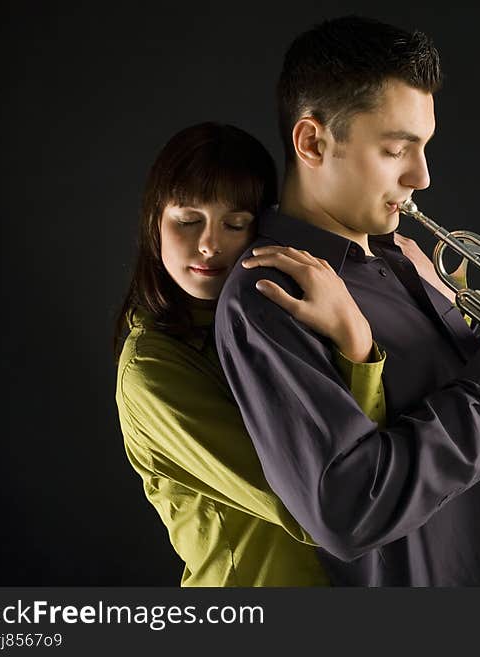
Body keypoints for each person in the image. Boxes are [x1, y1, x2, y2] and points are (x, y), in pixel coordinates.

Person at [215, 17, 480, 586]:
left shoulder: (405, 258)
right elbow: (349, 509)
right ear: (312, 141)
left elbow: (460, 430)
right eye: (397, 150)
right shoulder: (270, 294)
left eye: (424, 148)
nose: (421, 175)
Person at [113, 122, 390, 586]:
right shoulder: (150, 372)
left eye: (235, 224)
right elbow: (323, 512)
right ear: (153, 221)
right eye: (187, 220)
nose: (209, 243)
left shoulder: (280, 313)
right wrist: (357, 346)